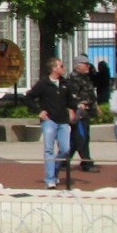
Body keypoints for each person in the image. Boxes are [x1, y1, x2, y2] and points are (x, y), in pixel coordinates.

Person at [26, 57, 75, 189]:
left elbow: (70, 101)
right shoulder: (44, 83)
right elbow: (29, 97)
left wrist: (73, 109)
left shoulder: (65, 83)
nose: (63, 68)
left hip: (63, 121)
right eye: (61, 66)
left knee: (65, 149)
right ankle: (50, 179)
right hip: (49, 121)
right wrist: (39, 111)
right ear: (54, 68)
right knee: (49, 149)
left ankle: (54, 171)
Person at [64, 54, 98, 173]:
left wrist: (95, 107)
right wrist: (73, 112)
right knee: (81, 137)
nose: (88, 66)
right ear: (78, 66)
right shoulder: (73, 79)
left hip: (86, 113)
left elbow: (89, 94)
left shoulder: (85, 78)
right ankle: (86, 162)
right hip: (79, 113)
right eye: (86, 64)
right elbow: (71, 98)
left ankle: (63, 160)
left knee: (75, 138)